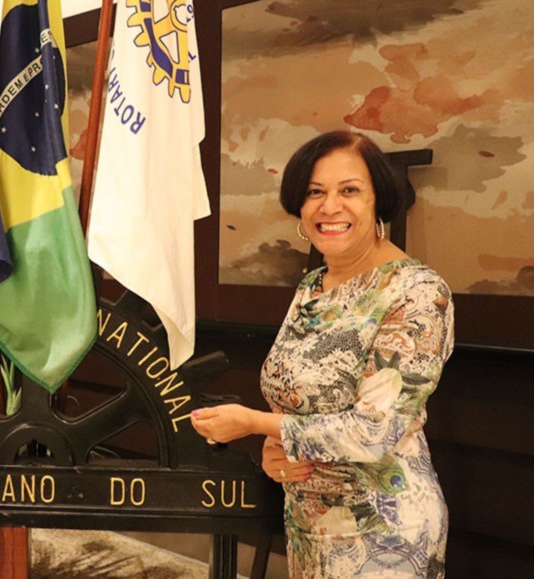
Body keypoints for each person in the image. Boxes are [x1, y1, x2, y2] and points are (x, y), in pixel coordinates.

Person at [191, 131, 453, 578]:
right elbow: (299, 406)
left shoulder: (418, 293)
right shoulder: (312, 287)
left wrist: (255, 424)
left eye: (349, 190)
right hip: (308, 526)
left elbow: (374, 431)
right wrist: (276, 453)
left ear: (378, 200)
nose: (330, 207)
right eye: (315, 192)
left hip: (385, 533)